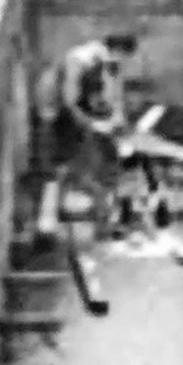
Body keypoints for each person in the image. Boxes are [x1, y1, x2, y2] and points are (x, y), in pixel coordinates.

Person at [36, 32, 137, 240]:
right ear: (117, 51)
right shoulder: (81, 60)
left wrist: (115, 117)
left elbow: (109, 94)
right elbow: (70, 99)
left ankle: (65, 209)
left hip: (74, 111)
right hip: (56, 110)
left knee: (73, 162)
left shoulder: (105, 64)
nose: (122, 63)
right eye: (123, 57)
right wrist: (94, 124)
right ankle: (52, 220)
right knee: (65, 164)